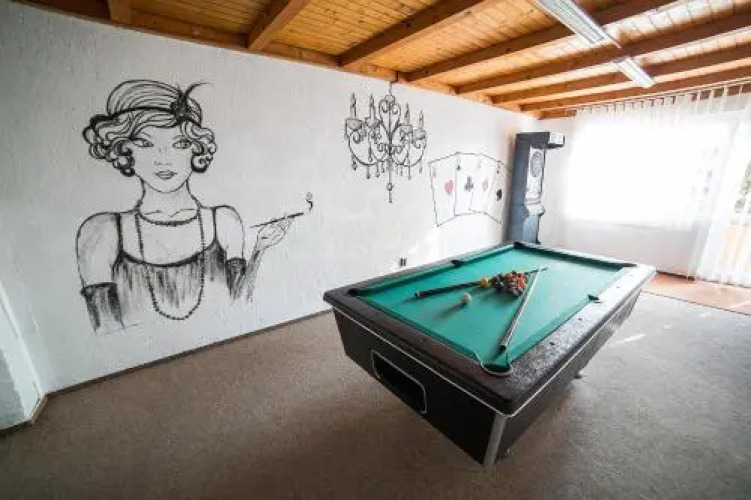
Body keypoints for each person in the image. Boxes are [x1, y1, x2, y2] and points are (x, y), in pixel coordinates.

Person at [76, 80, 291, 334]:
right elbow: (105, 332)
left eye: (179, 144)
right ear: (123, 149)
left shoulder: (224, 221)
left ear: (195, 150)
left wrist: (260, 249)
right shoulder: (103, 231)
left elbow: (240, 308)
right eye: (145, 143)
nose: (164, 158)